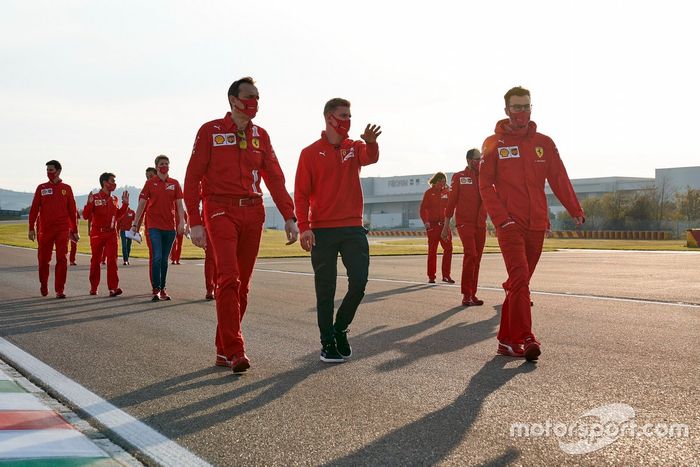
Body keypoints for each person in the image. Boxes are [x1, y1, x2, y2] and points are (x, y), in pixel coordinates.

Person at [184, 76, 298, 373]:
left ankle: (223, 349)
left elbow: (275, 177)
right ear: (233, 100)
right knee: (229, 277)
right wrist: (194, 221)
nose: (254, 102)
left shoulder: (262, 135)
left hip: (254, 210)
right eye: (249, 96)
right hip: (219, 209)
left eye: (257, 97)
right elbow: (193, 178)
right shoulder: (211, 131)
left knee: (242, 286)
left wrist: (289, 215)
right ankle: (236, 351)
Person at [479, 86, 584, 361]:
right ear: (506, 110)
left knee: (518, 283)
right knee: (520, 279)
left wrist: (574, 208)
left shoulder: (544, 143)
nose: (522, 112)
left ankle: (505, 341)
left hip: (537, 224)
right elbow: (485, 184)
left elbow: (559, 177)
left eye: (526, 106)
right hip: (510, 225)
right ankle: (526, 337)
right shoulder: (493, 143)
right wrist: (502, 219)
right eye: (517, 107)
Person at [295, 97, 382, 363]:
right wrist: (304, 227)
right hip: (323, 231)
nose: (348, 121)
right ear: (329, 118)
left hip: (353, 228)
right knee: (326, 290)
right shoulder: (309, 153)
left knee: (359, 283)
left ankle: (340, 328)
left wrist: (371, 142)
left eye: (350, 116)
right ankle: (327, 343)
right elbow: (300, 193)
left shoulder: (354, 147)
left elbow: (371, 157)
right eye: (343, 115)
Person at [131, 156, 185, 301]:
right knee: (157, 257)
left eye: (166, 164)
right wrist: (135, 224)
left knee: (164, 260)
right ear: (156, 166)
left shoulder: (174, 183)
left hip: (170, 227)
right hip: (154, 226)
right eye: (162, 164)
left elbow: (180, 205)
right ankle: (156, 289)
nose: (164, 166)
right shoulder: (150, 183)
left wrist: (182, 222)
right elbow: (141, 205)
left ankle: (163, 288)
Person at [442, 149, 487, 306]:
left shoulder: (485, 177)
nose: (479, 161)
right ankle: (466, 294)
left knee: (477, 259)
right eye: (476, 159)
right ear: (468, 160)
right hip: (464, 223)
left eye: (481, 159)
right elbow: (451, 202)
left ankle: (473, 294)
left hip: (481, 224)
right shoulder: (459, 177)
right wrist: (446, 226)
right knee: (471, 254)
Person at [28, 160, 79, 298]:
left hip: (62, 229)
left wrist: (74, 230)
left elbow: (72, 211)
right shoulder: (41, 188)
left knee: (62, 259)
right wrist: (31, 227)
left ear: (58, 171)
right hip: (45, 229)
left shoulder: (66, 188)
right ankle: (43, 283)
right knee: (43, 259)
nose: (49, 173)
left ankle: (59, 290)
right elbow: (34, 209)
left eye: (51, 170)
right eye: (47, 170)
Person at [83, 173, 129, 296]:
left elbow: (118, 215)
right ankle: (94, 287)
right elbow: (86, 216)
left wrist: (125, 205)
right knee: (96, 261)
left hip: (111, 234)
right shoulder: (95, 197)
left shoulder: (114, 199)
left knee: (112, 261)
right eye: (112, 181)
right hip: (97, 233)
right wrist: (89, 203)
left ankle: (113, 288)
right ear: (104, 182)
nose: (114, 183)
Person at [420, 172, 453, 284]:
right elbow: (423, 209)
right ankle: (431, 276)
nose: (442, 183)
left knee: (448, 249)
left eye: (444, 181)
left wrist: (450, 192)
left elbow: (451, 207)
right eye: (440, 181)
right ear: (435, 181)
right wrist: (426, 222)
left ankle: (446, 275)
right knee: (432, 251)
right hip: (433, 226)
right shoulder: (429, 193)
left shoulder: (447, 193)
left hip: (444, 226)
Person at [142, 167, 157, 291]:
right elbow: (141, 210)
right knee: (154, 256)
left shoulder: (170, 186)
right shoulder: (147, 190)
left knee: (163, 258)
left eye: (151, 176)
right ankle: (155, 286)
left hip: (167, 227)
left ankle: (161, 285)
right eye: (147, 177)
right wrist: (135, 226)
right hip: (151, 228)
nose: (148, 179)